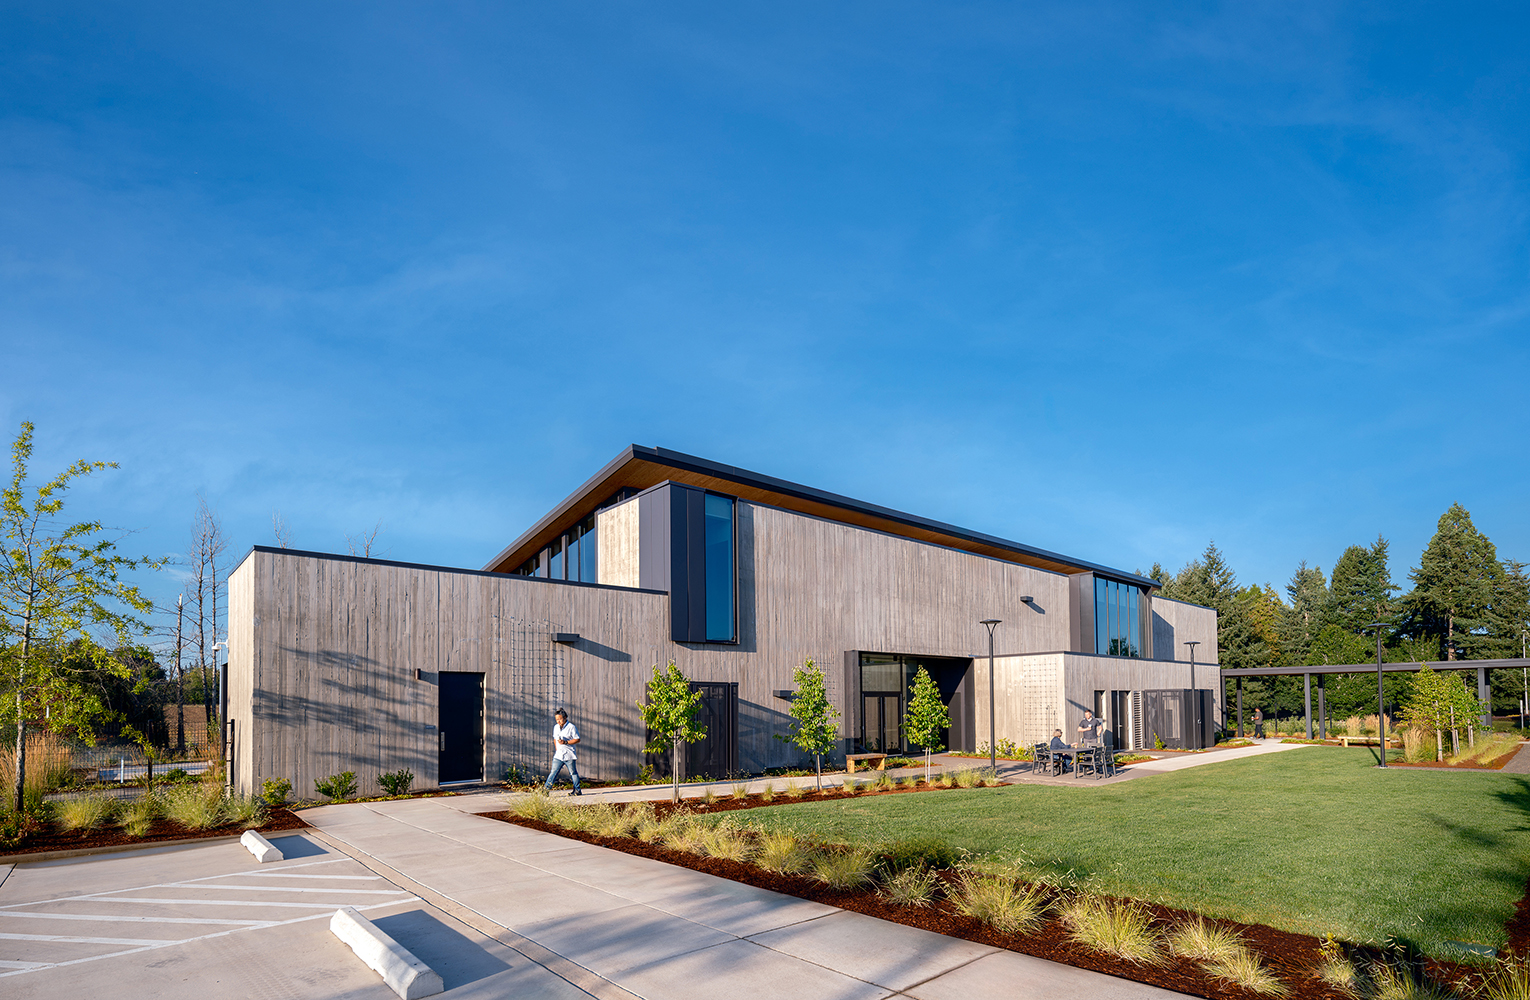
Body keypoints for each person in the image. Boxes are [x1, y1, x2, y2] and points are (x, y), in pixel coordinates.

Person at [543, 708, 582, 795]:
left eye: (560, 719)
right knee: (553, 772)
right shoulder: (556, 727)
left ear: (565, 718)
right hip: (558, 755)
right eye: (557, 719)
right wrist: (557, 748)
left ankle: (577, 790)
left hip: (569, 755)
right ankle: (545, 790)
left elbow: (577, 739)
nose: (558, 721)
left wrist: (566, 742)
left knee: (573, 773)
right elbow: (555, 739)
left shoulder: (571, 727)